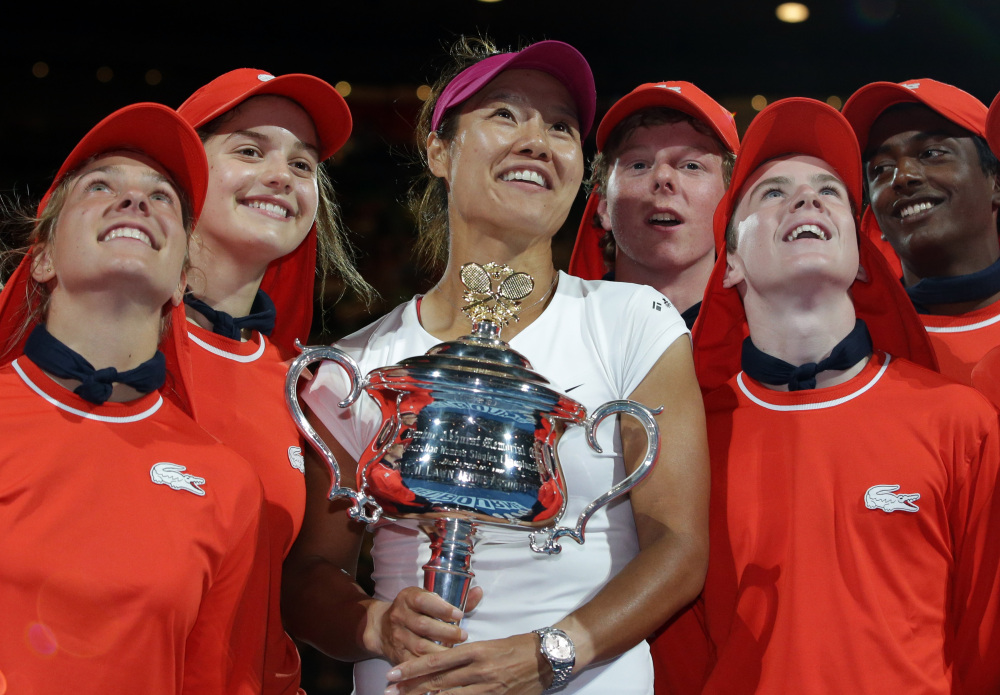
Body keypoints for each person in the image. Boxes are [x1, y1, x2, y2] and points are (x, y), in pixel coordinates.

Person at [283, 37, 710, 695]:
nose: (538, 139)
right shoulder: (358, 363)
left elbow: (679, 549)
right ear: (439, 150)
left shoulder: (634, 322)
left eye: (562, 126)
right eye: (505, 114)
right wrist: (375, 624)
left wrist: (553, 654)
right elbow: (311, 575)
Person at [654, 97, 1000, 694]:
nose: (806, 198)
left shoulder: (959, 420)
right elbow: (676, 659)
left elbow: (985, 647)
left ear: (863, 261)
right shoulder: (689, 438)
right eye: (772, 192)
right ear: (730, 262)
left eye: (829, 191)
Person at [0, 103, 264, 693]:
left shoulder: (226, 482)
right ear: (41, 257)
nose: (135, 201)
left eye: (161, 197)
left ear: (180, 280)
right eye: (101, 186)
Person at [174, 68, 372, 694]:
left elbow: (305, 588)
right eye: (250, 150)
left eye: (304, 165)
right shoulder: (89, 357)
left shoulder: (306, 389)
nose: (282, 176)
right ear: (180, 170)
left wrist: (382, 624)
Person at [842, 79, 1000, 400]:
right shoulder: (850, 350)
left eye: (931, 153)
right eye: (881, 169)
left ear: (995, 181)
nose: (903, 177)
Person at [569, 81, 739, 328]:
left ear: (730, 206)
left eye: (691, 165)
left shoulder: (776, 347)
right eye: (639, 165)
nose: (663, 177)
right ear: (604, 205)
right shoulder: (553, 337)